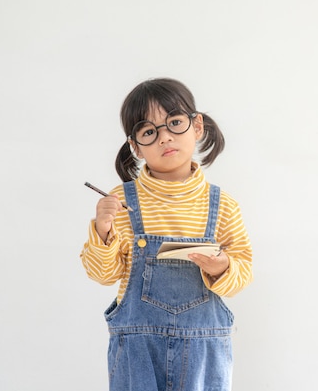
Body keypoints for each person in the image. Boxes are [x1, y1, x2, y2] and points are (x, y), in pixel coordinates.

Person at [80, 78, 253, 391]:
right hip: (138, 351)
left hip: (204, 352)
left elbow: (244, 272)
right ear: (136, 147)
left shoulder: (223, 205)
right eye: (149, 132)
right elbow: (104, 274)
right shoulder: (121, 202)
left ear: (197, 126)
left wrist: (223, 267)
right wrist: (102, 230)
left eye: (174, 123)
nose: (165, 138)